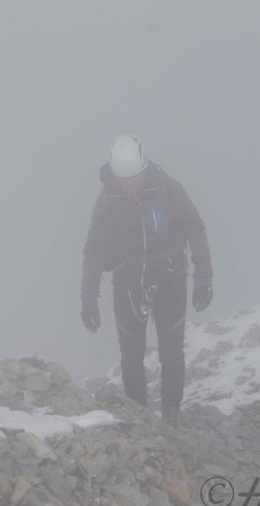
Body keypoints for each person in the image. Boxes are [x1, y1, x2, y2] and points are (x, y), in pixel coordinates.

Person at [80, 135, 213, 427]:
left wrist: (204, 277)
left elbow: (195, 229)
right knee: (131, 354)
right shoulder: (106, 203)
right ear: (114, 174)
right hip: (128, 283)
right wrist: (88, 296)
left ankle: (171, 418)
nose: (130, 184)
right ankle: (140, 420)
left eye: (135, 176)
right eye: (124, 178)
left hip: (170, 280)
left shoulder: (168, 190)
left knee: (171, 351)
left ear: (145, 167)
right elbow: (94, 250)